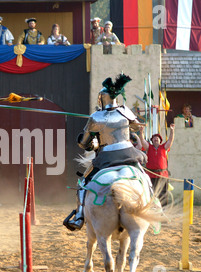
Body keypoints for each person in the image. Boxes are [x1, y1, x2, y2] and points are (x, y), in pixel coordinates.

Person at [63, 74, 147, 231]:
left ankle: (80, 216)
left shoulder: (96, 117)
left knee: (82, 183)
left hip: (107, 156)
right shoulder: (125, 111)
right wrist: (122, 125)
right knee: (144, 177)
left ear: (101, 99)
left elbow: (84, 143)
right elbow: (136, 127)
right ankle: (154, 205)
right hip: (129, 153)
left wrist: (89, 139)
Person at [139, 124, 175, 207]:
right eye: (154, 138)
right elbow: (142, 140)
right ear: (152, 140)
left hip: (162, 175)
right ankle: (152, 209)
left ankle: (164, 211)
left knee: (163, 194)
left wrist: (172, 131)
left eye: (157, 138)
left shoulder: (164, 147)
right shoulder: (149, 147)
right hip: (151, 175)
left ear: (160, 140)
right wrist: (141, 132)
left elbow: (170, 140)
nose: (156, 139)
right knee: (150, 193)